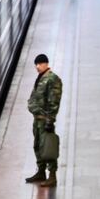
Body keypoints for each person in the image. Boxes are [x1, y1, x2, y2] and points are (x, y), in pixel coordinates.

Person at [26, 54, 62, 186]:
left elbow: (54, 101)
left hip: (45, 120)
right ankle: (41, 172)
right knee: (38, 146)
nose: (37, 66)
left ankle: (52, 176)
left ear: (46, 64)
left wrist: (50, 120)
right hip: (37, 119)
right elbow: (34, 97)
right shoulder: (40, 78)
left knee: (48, 147)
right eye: (36, 64)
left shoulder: (52, 79)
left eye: (40, 64)